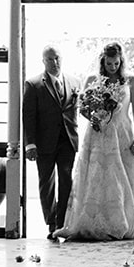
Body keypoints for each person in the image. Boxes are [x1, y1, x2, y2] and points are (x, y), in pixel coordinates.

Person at [54, 42, 134, 241]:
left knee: (123, 176)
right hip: (98, 133)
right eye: (109, 63)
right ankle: (93, 220)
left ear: (121, 61)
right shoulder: (93, 79)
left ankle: (124, 220)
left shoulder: (131, 80)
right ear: (103, 61)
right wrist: (93, 118)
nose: (113, 67)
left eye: (116, 63)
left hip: (122, 133)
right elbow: (81, 107)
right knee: (98, 176)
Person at [21, 45, 79, 235]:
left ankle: (61, 223)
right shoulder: (33, 84)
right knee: (46, 183)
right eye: (49, 59)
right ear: (43, 61)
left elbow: (77, 111)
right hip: (44, 143)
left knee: (66, 181)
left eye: (57, 58)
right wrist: (30, 143)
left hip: (67, 141)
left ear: (62, 58)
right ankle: (51, 221)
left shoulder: (74, 81)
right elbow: (28, 116)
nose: (54, 62)